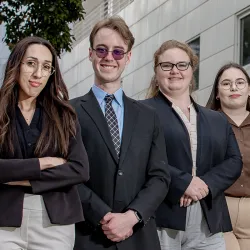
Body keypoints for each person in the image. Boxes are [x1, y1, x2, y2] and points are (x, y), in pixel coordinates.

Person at [71, 16, 171, 250]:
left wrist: (131, 217)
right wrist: (103, 215)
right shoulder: (68, 112)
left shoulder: (148, 116)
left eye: (117, 52)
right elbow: (66, 173)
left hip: (139, 237)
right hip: (88, 236)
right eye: (102, 50)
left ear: (128, 57)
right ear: (90, 54)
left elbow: (160, 176)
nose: (109, 57)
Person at [141, 40, 243, 250]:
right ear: (156, 71)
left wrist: (203, 185)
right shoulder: (140, 112)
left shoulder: (216, 119)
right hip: (162, 215)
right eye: (166, 65)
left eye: (182, 65)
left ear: (192, 69)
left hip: (208, 217)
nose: (174, 71)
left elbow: (234, 162)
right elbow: (139, 158)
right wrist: (183, 182)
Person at [0, 36, 89, 250]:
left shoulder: (65, 114)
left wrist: (17, 178)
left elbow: (79, 170)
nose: (38, 74)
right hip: (3, 220)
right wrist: (42, 164)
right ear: (16, 64)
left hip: (55, 222)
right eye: (31, 64)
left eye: (46, 67)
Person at [206, 62, 250, 250]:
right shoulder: (204, 124)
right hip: (219, 208)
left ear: (249, 90)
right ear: (217, 92)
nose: (233, 87)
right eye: (226, 83)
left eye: (240, 82)